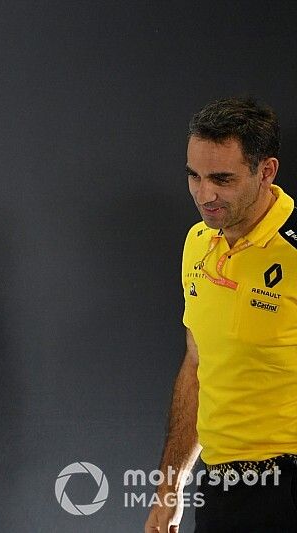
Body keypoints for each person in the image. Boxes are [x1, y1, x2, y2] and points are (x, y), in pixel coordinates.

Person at [145, 97, 297, 532]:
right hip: (222, 484)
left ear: (266, 172)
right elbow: (197, 363)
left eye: (222, 179)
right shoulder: (198, 240)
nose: (204, 194)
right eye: (194, 175)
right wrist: (170, 490)